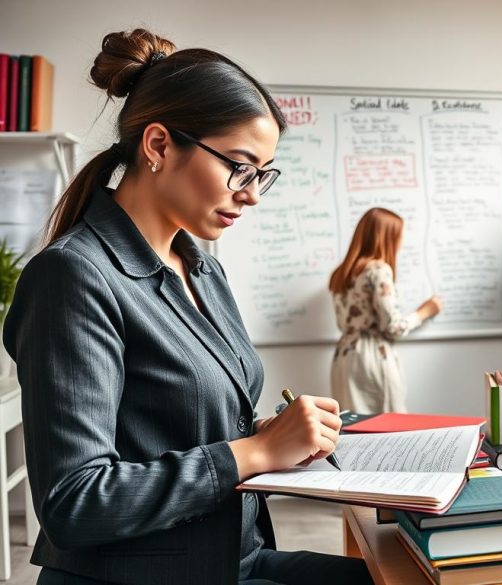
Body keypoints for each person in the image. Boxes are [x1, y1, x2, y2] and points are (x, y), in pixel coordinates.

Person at [1, 29, 372, 585]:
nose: (250, 194)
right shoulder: (71, 276)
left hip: (230, 557)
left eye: (262, 175)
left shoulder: (200, 266)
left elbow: (189, 425)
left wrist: (275, 435)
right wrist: (253, 451)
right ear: (158, 146)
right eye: (240, 167)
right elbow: (74, 502)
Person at [328, 208, 442, 413]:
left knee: (352, 428)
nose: (401, 242)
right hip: (372, 357)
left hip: (344, 356)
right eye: (399, 236)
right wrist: (425, 312)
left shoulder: (341, 273)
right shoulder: (378, 270)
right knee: (390, 428)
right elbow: (393, 327)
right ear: (387, 237)